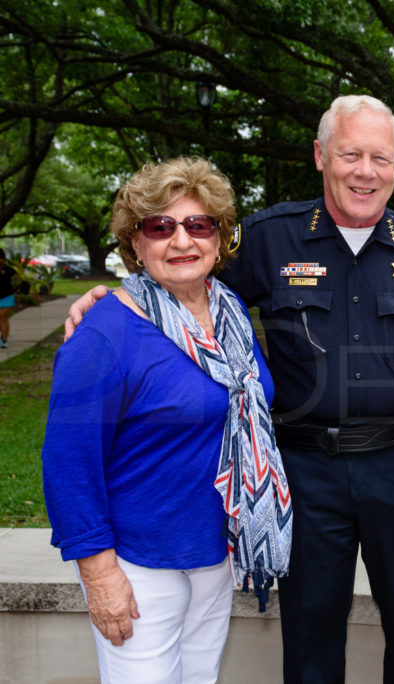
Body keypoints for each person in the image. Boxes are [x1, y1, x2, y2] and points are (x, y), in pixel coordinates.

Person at [67, 95, 394, 683]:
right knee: (310, 631)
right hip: (305, 471)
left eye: (380, 158)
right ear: (320, 156)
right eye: (350, 154)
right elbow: (180, 273)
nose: (365, 171)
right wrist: (109, 297)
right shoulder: (269, 239)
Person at [43, 157, 291, 683]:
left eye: (199, 225)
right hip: (138, 561)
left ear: (219, 239)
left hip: (216, 550)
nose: (182, 241)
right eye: (161, 226)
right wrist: (99, 573)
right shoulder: (104, 333)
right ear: (135, 243)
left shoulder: (231, 315)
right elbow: (68, 464)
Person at [0, 247, 14, 348]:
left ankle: (4, 340)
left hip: (7, 296)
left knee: (3, 317)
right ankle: (3, 336)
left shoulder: (8, 270)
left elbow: (13, 274)